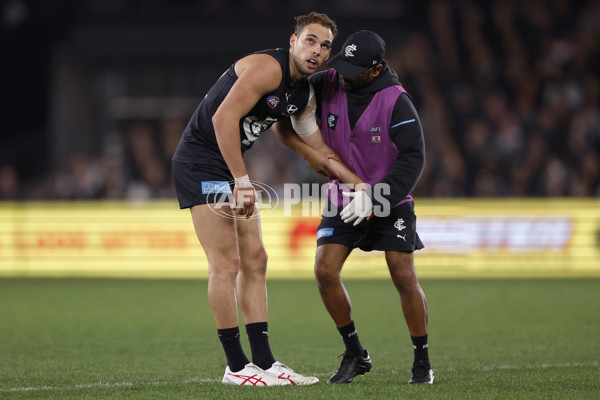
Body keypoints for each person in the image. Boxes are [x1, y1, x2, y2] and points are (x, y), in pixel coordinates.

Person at [171, 12, 365, 386]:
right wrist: (242, 181)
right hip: (201, 165)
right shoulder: (267, 68)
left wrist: (358, 184)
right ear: (293, 41)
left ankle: (264, 362)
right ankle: (236, 366)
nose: (317, 51)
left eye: (325, 46)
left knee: (255, 259)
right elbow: (223, 119)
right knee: (226, 264)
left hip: (229, 169)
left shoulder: (302, 93)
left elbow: (318, 148)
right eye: (310, 40)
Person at [309, 30, 434, 384]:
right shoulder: (328, 82)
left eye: (354, 69)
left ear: (376, 69)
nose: (343, 75)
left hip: (390, 200)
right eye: (342, 65)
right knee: (324, 269)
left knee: (403, 275)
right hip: (344, 197)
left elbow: (413, 159)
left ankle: (421, 361)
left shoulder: (397, 101)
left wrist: (378, 195)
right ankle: (355, 354)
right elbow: (293, 88)